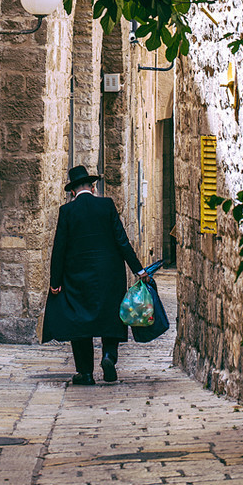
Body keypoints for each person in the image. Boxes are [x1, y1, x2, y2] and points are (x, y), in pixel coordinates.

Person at [42, 164, 146, 386]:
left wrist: (55, 282)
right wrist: (139, 270)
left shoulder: (67, 211)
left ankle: (85, 373)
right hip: (109, 274)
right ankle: (109, 356)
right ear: (92, 187)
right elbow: (122, 241)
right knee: (111, 317)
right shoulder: (106, 205)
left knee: (80, 321)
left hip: (78, 277)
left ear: (72, 191)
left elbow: (59, 249)